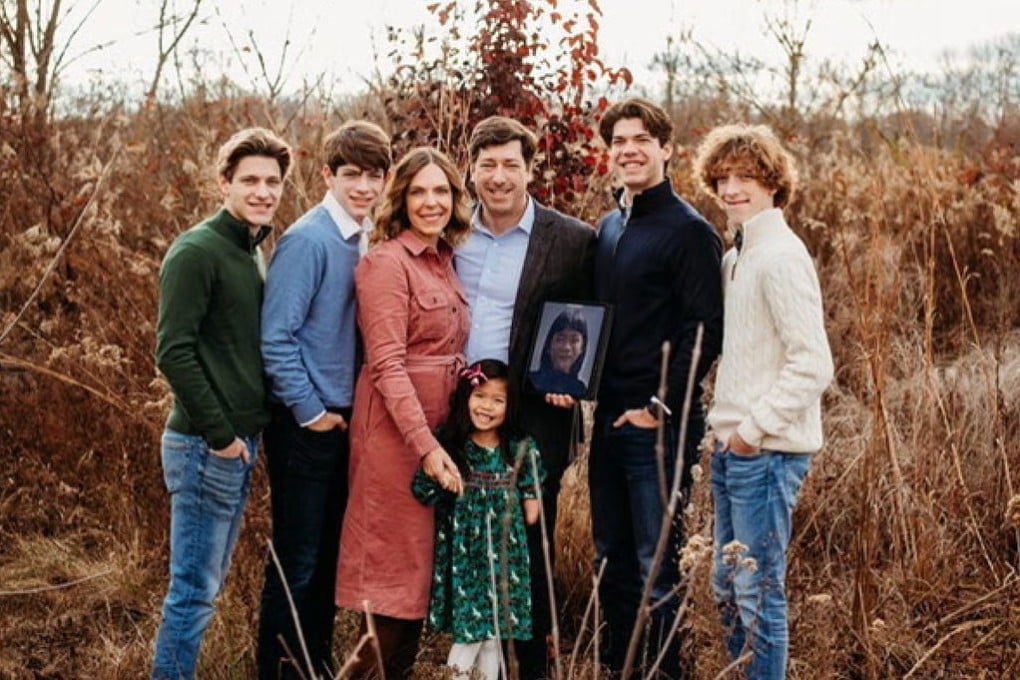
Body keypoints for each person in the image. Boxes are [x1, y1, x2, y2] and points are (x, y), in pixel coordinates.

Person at [455, 115, 596, 680]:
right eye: (487, 164)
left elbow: (588, 323)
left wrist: (572, 379)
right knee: (466, 540)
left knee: (530, 544)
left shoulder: (573, 240)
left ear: (530, 170)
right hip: (462, 412)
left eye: (510, 164)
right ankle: (471, 662)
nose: (499, 176)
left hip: (538, 415)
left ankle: (532, 663)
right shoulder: (449, 231)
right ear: (470, 169)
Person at [151, 127, 292, 680]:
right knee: (192, 591)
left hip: (234, 445)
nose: (262, 191)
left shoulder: (251, 249)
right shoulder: (197, 251)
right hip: (203, 447)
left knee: (205, 588)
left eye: (272, 182)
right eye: (249, 180)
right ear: (223, 183)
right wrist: (221, 436)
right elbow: (173, 351)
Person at [590, 97, 723, 679]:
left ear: (667, 149)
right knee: (611, 559)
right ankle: (618, 668)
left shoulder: (690, 232)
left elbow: (706, 330)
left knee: (656, 567)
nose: (629, 150)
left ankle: (664, 673)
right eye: (619, 141)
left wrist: (658, 407)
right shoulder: (610, 227)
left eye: (642, 139)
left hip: (658, 426)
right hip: (608, 419)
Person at [694, 124, 833, 679]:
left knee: (757, 593)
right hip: (734, 448)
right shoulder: (738, 256)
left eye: (746, 177)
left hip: (767, 452)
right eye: (723, 178)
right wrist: (727, 433)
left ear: (774, 183)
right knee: (727, 587)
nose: (732, 189)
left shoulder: (780, 256)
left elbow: (813, 363)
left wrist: (751, 432)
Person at [257, 120, 391, 680]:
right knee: (298, 562)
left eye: (375, 176)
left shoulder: (363, 236)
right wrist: (310, 412)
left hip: (342, 422)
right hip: (304, 424)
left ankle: (312, 666)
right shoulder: (309, 240)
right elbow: (275, 338)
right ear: (328, 175)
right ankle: (281, 671)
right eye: (352, 174)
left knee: (328, 560)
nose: (364, 186)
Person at [335, 146, 471, 680]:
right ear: (401, 200)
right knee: (389, 589)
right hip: (396, 443)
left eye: (441, 191)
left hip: (436, 436)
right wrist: (427, 447)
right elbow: (387, 366)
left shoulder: (444, 261)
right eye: (418, 192)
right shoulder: (385, 263)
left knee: (413, 588)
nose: (431, 202)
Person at [411, 359, 546, 680]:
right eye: (479, 396)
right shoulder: (451, 445)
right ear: (465, 398)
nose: (487, 407)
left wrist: (528, 491)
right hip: (466, 557)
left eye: (498, 400)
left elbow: (532, 512)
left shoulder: (519, 448)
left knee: (494, 637)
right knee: (470, 635)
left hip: (505, 558)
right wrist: (444, 480)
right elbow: (422, 490)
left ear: (510, 407)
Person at [527, 309, 589, 397]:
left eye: (574, 340)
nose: (566, 347)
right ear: (549, 345)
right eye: (560, 339)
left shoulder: (581, 390)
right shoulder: (530, 381)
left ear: (582, 348)